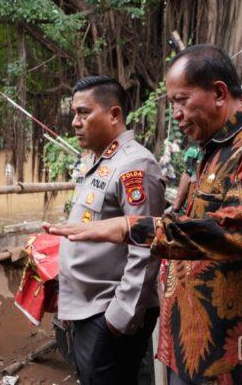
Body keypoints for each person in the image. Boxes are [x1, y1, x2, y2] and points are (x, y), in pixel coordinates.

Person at [46, 45, 242, 384]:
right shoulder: (210, 147)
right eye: (173, 104)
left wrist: (130, 227)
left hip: (233, 344)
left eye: (182, 101)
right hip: (192, 333)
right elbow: (188, 218)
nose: (176, 114)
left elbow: (240, 231)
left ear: (219, 93)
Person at [58, 75, 165, 385]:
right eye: (74, 113)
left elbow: (146, 245)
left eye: (83, 112)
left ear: (114, 114)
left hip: (109, 311)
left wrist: (120, 317)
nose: (75, 122)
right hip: (88, 307)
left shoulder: (135, 165)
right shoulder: (99, 160)